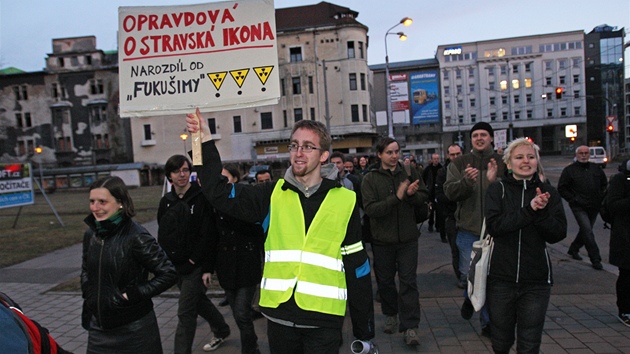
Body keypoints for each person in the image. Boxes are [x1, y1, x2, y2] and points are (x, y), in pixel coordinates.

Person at [186, 110, 375, 354]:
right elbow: (217, 192)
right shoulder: (271, 194)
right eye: (294, 145)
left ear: (324, 155)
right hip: (280, 319)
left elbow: (357, 267)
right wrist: (202, 142)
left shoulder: (345, 200)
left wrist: (364, 332)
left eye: (308, 147)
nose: (298, 153)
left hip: (324, 321)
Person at [484, 138, 567, 353]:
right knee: (501, 339)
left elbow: (558, 233)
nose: (525, 161)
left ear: (537, 162)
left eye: (531, 157)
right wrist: (530, 210)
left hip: (536, 280)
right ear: (509, 163)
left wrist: (540, 213)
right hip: (501, 278)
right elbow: (496, 227)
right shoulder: (497, 190)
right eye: (519, 157)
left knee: (530, 342)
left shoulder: (548, 192)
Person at [81, 176, 177, 354]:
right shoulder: (91, 234)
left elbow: (168, 273)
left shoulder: (136, 236)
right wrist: (88, 290)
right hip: (98, 328)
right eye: (92, 201)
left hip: (134, 329)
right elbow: (86, 268)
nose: (95, 207)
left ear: (120, 203)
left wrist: (131, 295)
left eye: (102, 202)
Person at [157, 155, 230, 354]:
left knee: (185, 312)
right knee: (197, 301)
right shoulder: (166, 202)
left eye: (185, 170)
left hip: (196, 266)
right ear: (169, 176)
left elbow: (208, 235)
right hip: (176, 266)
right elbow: (163, 233)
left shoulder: (201, 198)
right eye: (177, 171)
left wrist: (206, 268)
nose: (182, 175)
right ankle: (222, 328)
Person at [361, 137, 429, 346]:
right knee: (385, 281)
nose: (394, 156)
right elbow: (371, 209)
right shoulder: (370, 179)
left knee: (409, 282)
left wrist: (411, 194)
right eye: (389, 152)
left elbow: (424, 196)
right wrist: (397, 198)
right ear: (379, 154)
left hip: (408, 238)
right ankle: (391, 314)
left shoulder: (408, 171)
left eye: (396, 151)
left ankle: (410, 327)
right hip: (382, 240)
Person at [444, 122, 506, 337]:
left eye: (484, 135)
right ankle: (469, 297)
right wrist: (466, 182)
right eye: (475, 135)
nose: (479, 138)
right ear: (470, 140)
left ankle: (487, 322)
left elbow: (512, 192)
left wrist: (494, 181)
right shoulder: (461, 162)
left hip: (496, 230)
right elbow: (450, 192)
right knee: (469, 275)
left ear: (491, 138)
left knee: (489, 278)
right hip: (468, 229)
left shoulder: (501, 162)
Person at [208, 164, 263, 354]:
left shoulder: (246, 199)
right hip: (226, 267)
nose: (222, 183)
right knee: (239, 313)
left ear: (235, 179)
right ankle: (251, 341)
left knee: (241, 312)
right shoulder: (214, 204)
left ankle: (250, 349)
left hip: (247, 265)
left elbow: (257, 231)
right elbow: (211, 236)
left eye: (226, 178)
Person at [558, 145, 608, 270]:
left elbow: (604, 184)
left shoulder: (596, 169)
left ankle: (574, 248)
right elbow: (562, 188)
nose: (584, 155)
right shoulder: (569, 170)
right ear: (577, 155)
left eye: (586, 153)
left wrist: (601, 197)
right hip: (578, 206)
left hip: (594, 205)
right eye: (581, 153)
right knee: (587, 231)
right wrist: (574, 199)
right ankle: (595, 258)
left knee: (586, 230)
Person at [606, 159, 630, 327]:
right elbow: (612, 205)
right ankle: (625, 310)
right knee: (627, 275)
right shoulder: (620, 179)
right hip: (625, 236)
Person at [435, 144, 464, 282]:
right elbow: (440, 195)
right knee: (456, 249)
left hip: (468, 216)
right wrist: (456, 195)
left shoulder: (468, 169)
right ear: (448, 156)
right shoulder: (443, 172)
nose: (455, 157)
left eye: (458, 154)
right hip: (451, 216)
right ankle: (461, 277)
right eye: (452, 155)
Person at [422, 153, 443, 233]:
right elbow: (423, 178)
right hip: (430, 191)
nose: (436, 160)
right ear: (432, 159)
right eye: (434, 158)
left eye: (437, 158)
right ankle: (430, 224)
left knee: (438, 210)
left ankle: (438, 226)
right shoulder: (428, 169)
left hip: (438, 191)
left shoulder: (441, 168)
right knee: (431, 209)